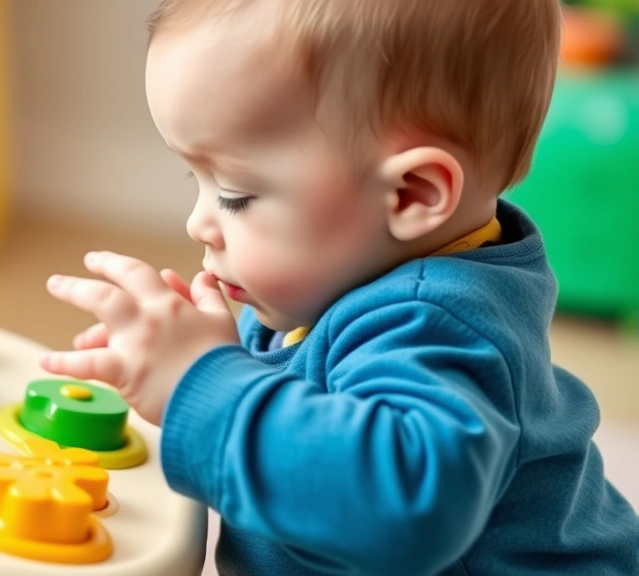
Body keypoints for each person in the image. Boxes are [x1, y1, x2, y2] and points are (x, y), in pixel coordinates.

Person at [39, 1, 639, 574]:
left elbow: (402, 510)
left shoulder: (440, 326)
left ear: (410, 195)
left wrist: (202, 384)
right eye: (194, 176)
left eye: (235, 193)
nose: (198, 222)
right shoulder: (322, 280)